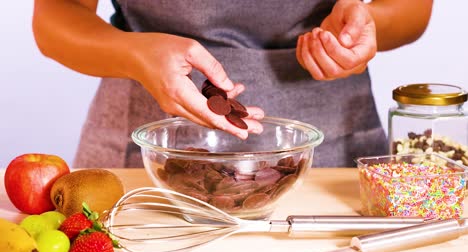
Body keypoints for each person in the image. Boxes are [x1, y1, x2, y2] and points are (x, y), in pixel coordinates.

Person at [32, 0, 433, 167]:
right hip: (143, 154)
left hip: (332, 154)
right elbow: (54, 17)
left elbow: (412, 8)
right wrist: (137, 54)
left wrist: (363, 26)